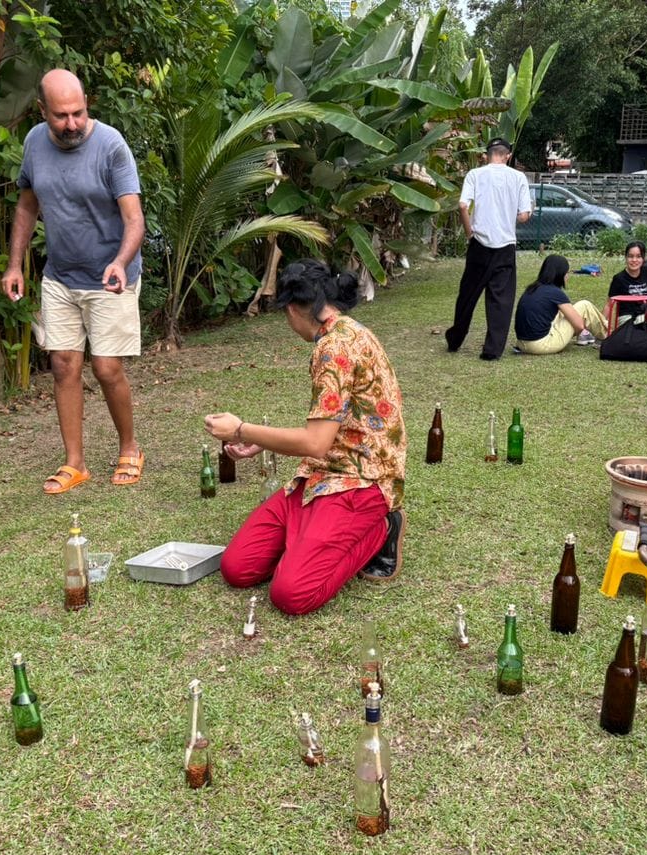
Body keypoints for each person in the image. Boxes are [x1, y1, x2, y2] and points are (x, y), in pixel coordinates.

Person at [204, 260, 407, 615]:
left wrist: (241, 429)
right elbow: (329, 425)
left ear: (294, 310)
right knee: (237, 568)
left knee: (292, 594)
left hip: (362, 479)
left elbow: (315, 442)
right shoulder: (346, 329)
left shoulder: (333, 348)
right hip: (319, 473)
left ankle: (383, 528)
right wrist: (263, 440)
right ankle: (308, 541)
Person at [3, 69, 146, 493]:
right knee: (64, 365)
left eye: (78, 113)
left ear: (87, 105)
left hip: (110, 275)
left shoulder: (111, 145)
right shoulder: (34, 143)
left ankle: (130, 448)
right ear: (42, 110)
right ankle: (75, 463)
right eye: (61, 116)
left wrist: (120, 261)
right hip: (61, 275)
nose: (72, 124)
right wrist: (15, 265)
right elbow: (27, 207)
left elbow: (134, 219)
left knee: (106, 367)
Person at [447, 137, 532, 360]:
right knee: (501, 300)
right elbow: (523, 216)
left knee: (467, 295)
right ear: (508, 156)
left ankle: (455, 339)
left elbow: (463, 205)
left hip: (479, 244)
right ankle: (492, 350)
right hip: (505, 245)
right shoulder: (518, 177)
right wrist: (517, 214)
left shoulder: (475, 174)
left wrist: (469, 233)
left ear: (486, 155)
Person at [513, 254, 608, 354]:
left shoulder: (532, 288)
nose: (567, 276)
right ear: (560, 274)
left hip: (522, 343)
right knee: (584, 305)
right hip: (540, 345)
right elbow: (579, 325)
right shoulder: (555, 292)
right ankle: (607, 335)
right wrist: (578, 329)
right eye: (567, 273)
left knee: (563, 312)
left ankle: (588, 334)